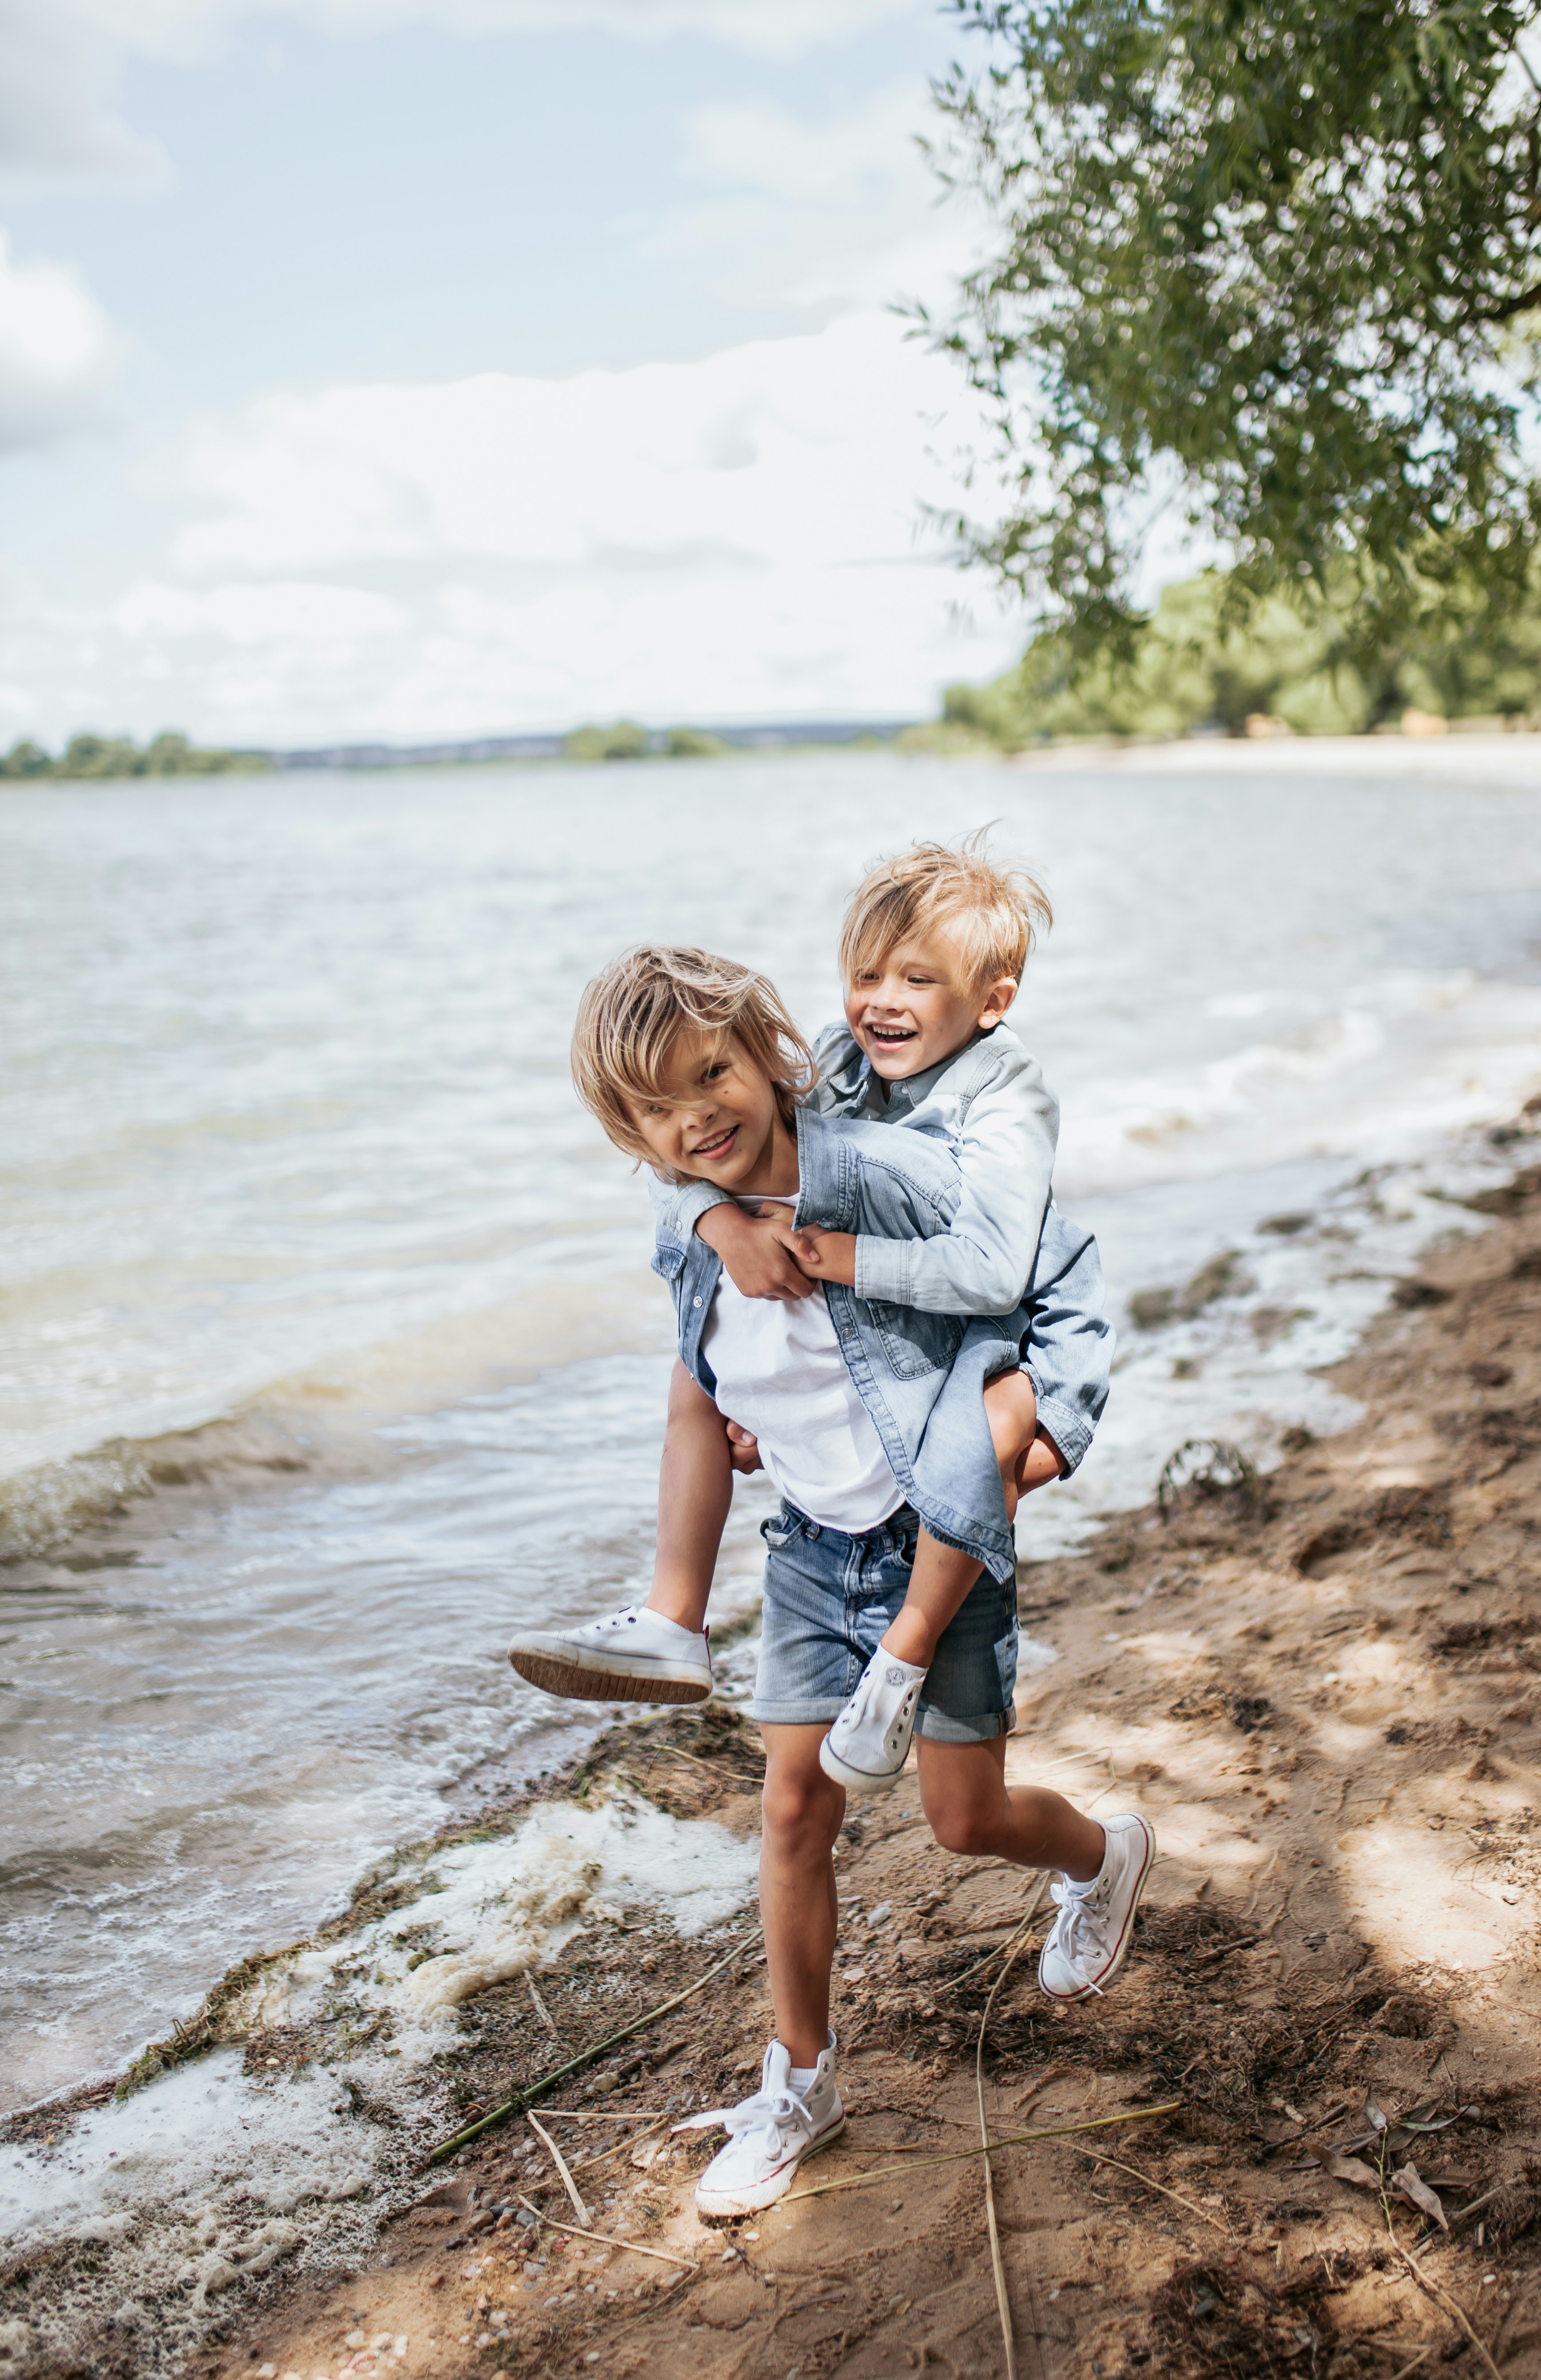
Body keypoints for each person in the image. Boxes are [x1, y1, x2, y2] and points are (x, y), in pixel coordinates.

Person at [515, 942, 1155, 2218]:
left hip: (937, 1533)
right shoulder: (691, 1222)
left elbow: (1053, 1255)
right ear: (629, 1130)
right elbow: (697, 1283)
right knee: (795, 1811)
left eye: (715, 1074)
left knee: (964, 1821)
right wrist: (707, 1217)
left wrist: (1050, 1417)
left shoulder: (880, 1171)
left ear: (775, 1060)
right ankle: (800, 2077)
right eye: (656, 1107)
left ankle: (1103, 1855)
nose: (696, 1116)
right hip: (811, 1548)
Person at [513, 836, 1070, 1794]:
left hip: (1023, 1313)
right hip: (859, 1441)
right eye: (866, 974)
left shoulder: (1002, 1099)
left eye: (920, 979)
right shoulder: (839, 1064)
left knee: (989, 1430)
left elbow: (996, 1271)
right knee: (695, 1376)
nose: (884, 1000)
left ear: (991, 1001)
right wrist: (720, 1220)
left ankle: (910, 1654)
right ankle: (672, 1618)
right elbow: (693, 1156)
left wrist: (829, 1255)